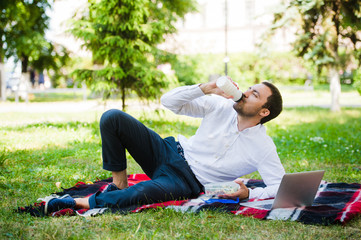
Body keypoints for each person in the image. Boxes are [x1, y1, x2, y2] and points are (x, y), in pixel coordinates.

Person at [43, 79, 285, 214]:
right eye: (249, 88)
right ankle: (118, 184)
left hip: (186, 182)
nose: (244, 92)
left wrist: (250, 194)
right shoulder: (218, 105)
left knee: (139, 195)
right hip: (167, 151)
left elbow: (281, 187)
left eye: (253, 94)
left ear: (264, 111)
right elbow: (169, 102)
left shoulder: (263, 146)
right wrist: (206, 88)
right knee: (112, 117)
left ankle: (78, 203)